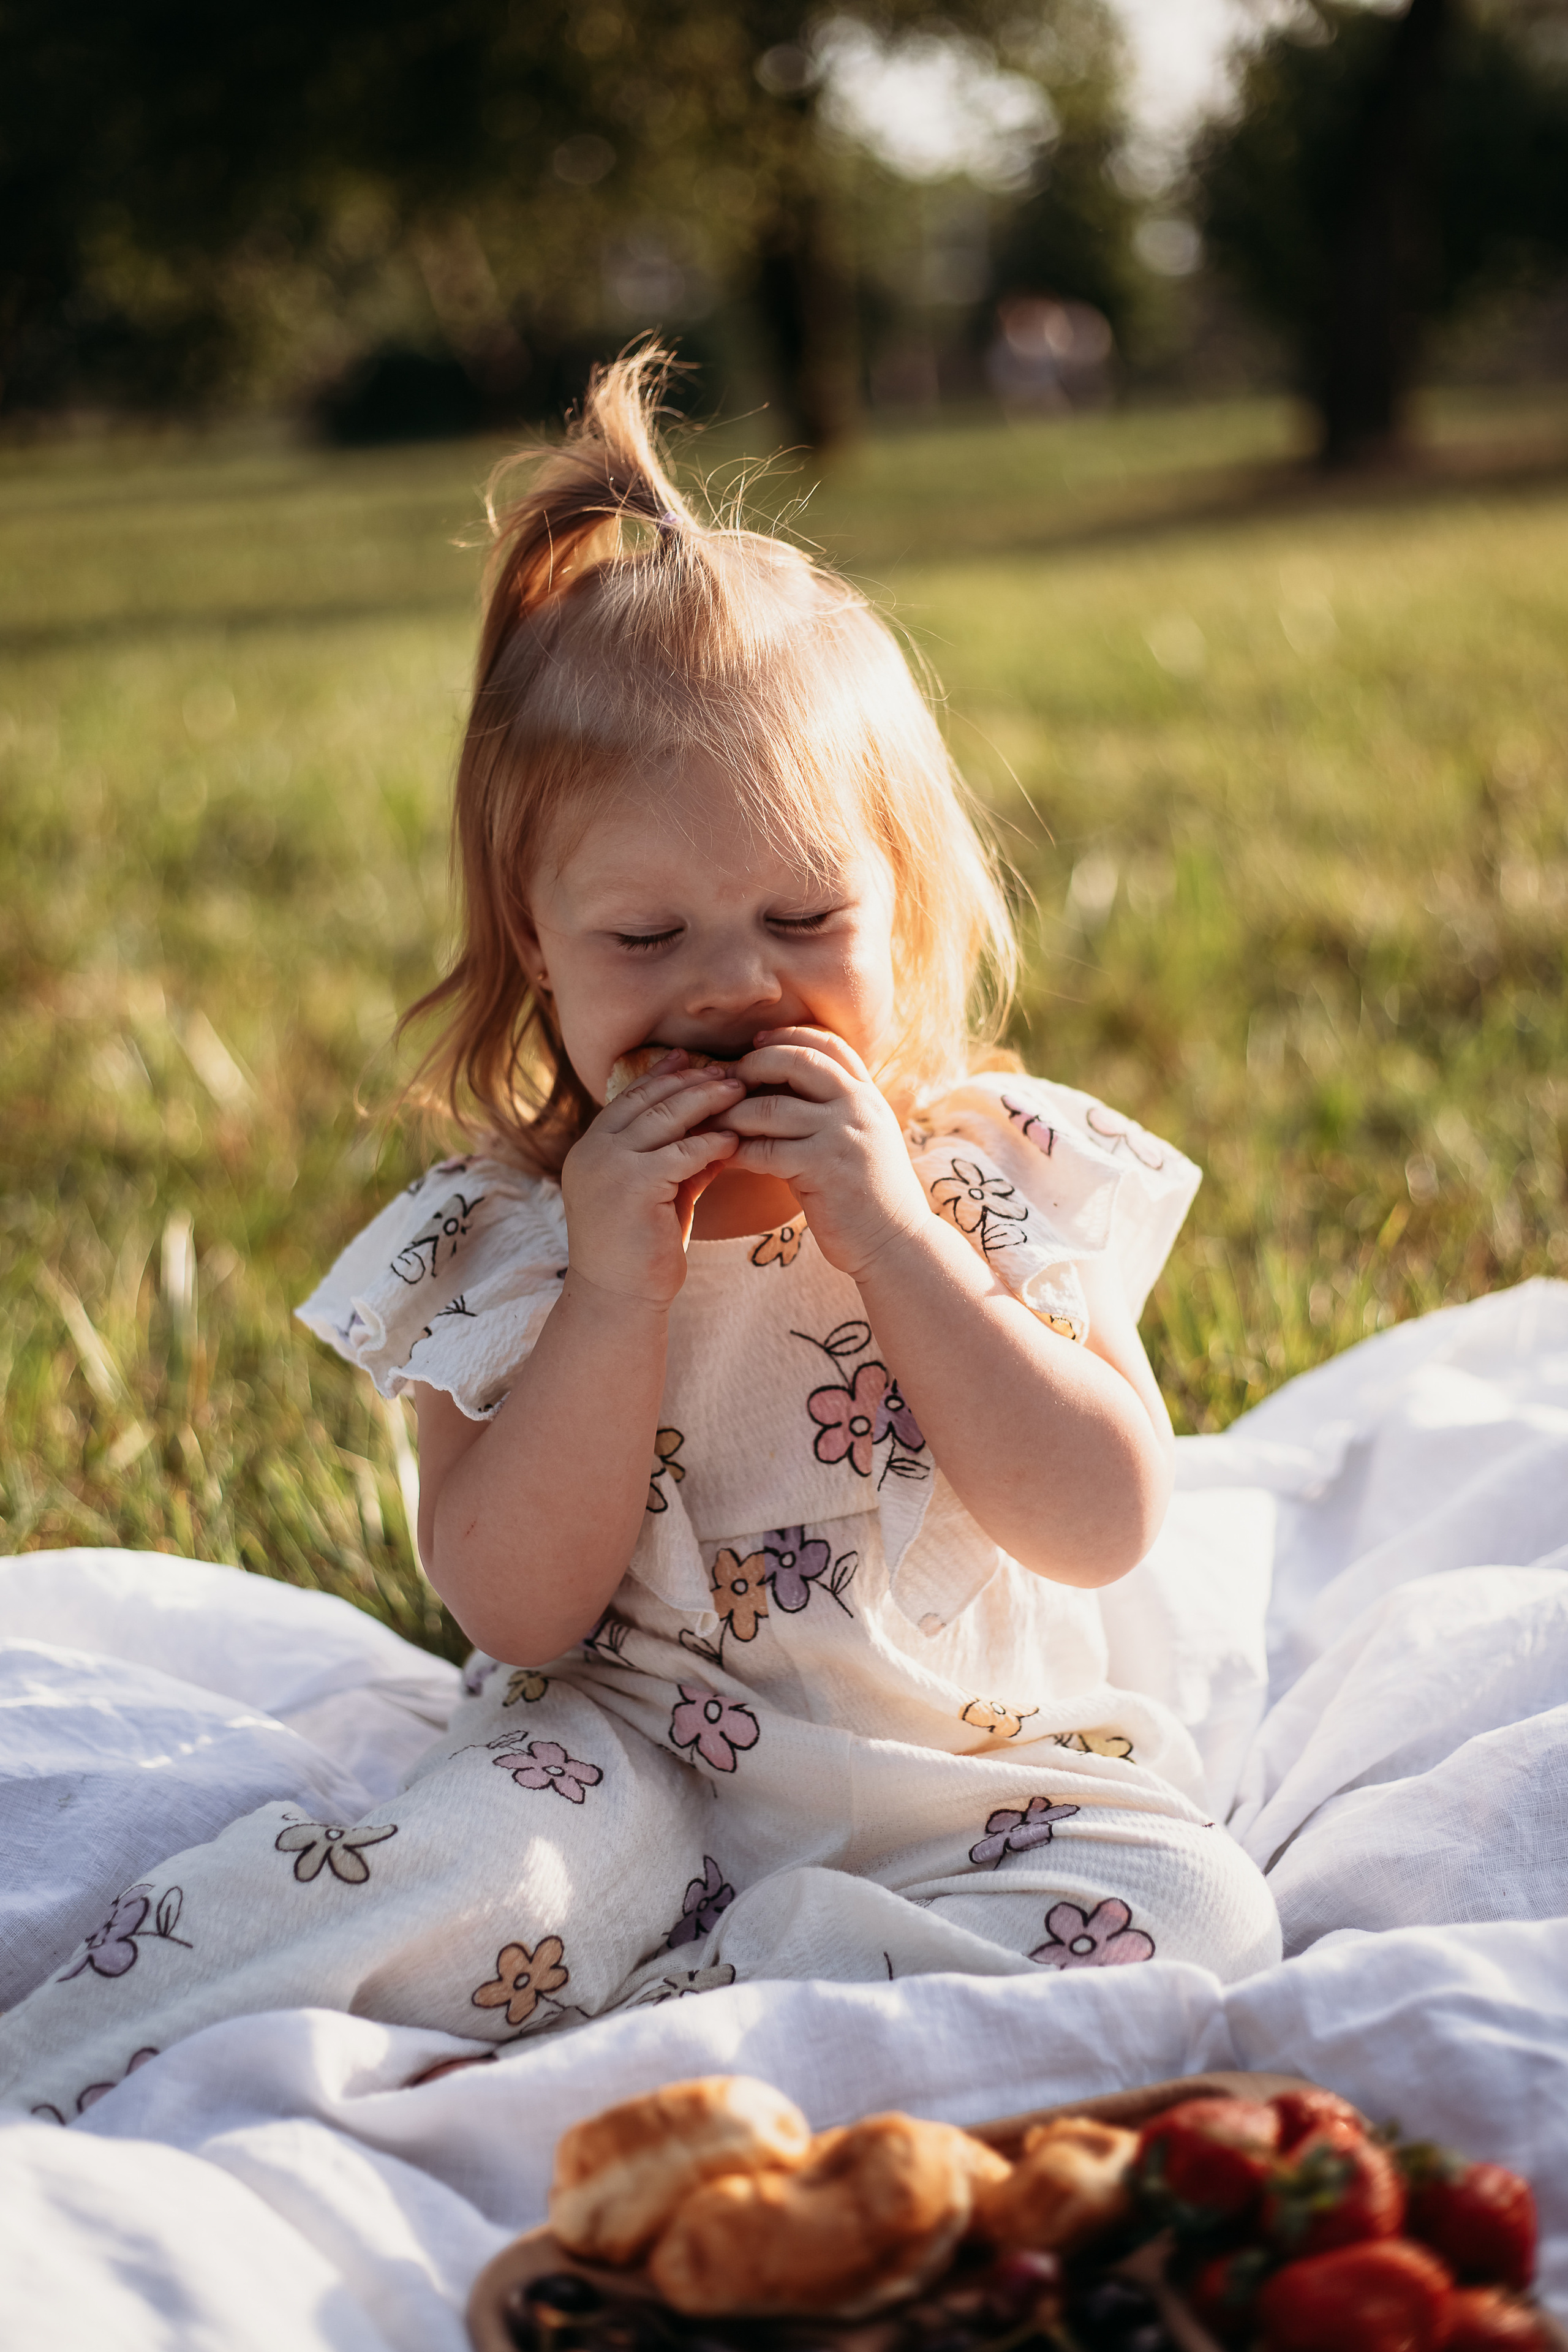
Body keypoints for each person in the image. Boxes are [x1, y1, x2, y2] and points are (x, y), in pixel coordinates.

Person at [0, 352, 1278, 2124]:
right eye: (645, 937)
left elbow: (1097, 1518)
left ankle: (666, 2056)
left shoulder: (991, 1172)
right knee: (441, 1872)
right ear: (536, 944)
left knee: (1195, 1909)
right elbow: (515, 1598)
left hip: (964, 1775)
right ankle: (57, 2093)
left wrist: (898, 1242)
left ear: (905, 909)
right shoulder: (506, 1243)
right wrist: (616, 1291)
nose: (733, 986)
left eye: (802, 916)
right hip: (619, 1767)